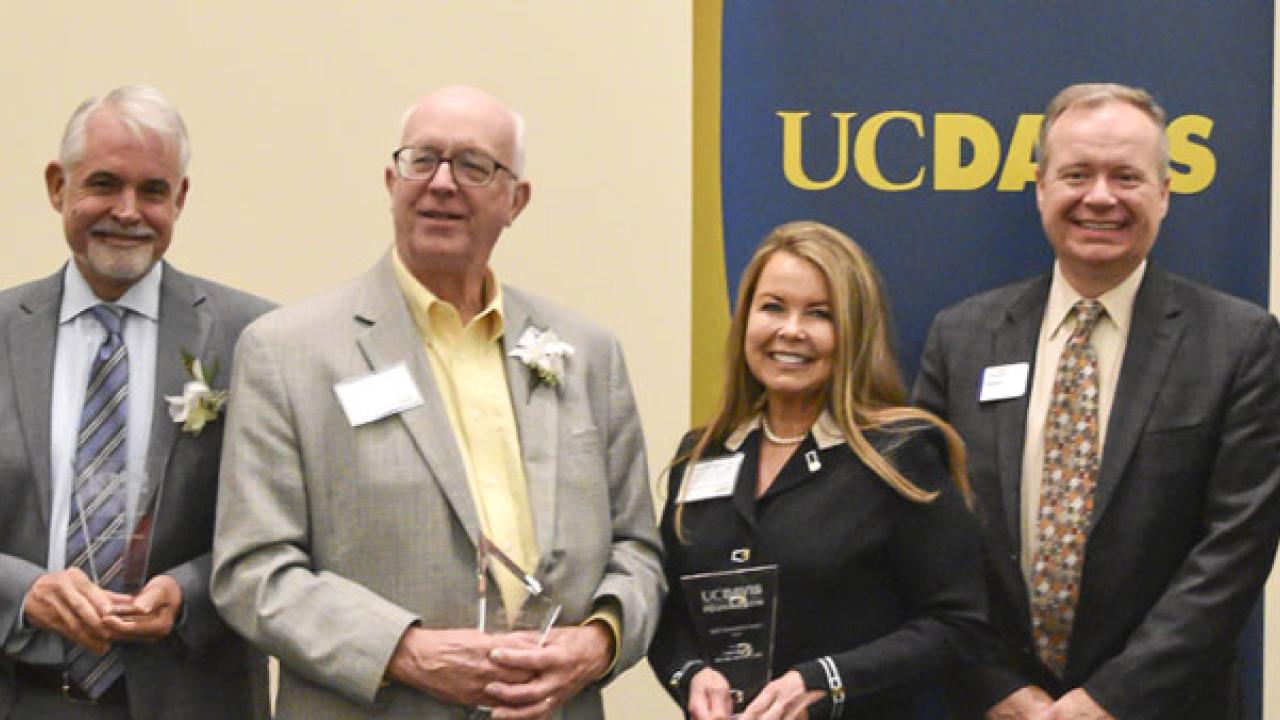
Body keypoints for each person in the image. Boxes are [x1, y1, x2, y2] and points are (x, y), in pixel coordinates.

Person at [210, 85, 664, 719]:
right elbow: (253, 572)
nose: (443, 184)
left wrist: (598, 642)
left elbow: (638, 550)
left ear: (517, 200)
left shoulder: (588, 352)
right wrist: (403, 651)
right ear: (391, 181)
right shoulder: (287, 353)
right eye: (423, 160)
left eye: (474, 166)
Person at [913, 82, 1280, 720]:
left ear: (1165, 194)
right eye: (1076, 173)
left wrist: (1109, 700)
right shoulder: (961, 337)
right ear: (1040, 188)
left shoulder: (1240, 341)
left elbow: (1235, 549)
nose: (1100, 197)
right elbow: (928, 533)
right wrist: (994, 685)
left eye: (1127, 176)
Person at [0, 85, 273, 719]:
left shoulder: (254, 340)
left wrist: (189, 592)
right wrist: (23, 591)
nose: (128, 211)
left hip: (192, 696)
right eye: (103, 184)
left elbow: (291, 529)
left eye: (153, 191)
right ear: (55, 186)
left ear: (180, 198)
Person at [648, 220, 987, 720]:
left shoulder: (900, 453)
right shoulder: (701, 454)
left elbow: (959, 624)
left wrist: (824, 682)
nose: (791, 330)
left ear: (854, 331)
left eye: (819, 314)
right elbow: (667, 608)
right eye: (773, 307)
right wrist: (692, 673)